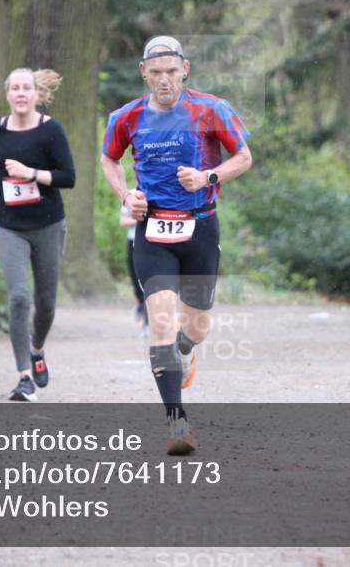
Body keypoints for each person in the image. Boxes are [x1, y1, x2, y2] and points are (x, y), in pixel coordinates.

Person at [100, 36, 253, 454]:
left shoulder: (212, 109)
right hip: (152, 231)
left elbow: (244, 157)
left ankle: (186, 349)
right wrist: (125, 196)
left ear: (185, 69)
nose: (164, 79)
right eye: (156, 72)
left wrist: (208, 177)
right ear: (143, 73)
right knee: (161, 320)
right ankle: (176, 424)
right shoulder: (126, 117)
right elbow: (109, 158)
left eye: (171, 71)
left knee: (197, 327)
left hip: (200, 228)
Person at [0, 68, 75, 401]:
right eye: (15, 88)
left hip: (48, 224)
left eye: (26, 88)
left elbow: (68, 177)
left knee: (45, 304)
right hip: (7, 225)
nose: (20, 93)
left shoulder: (51, 130)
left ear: (36, 93)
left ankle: (37, 349)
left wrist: (31, 173)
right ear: (8, 94)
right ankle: (24, 377)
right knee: (19, 297)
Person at [119, 203, 148, 332]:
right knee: (135, 276)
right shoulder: (132, 196)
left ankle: (149, 319)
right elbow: (122, 221)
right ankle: (140, 302)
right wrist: (141, 219)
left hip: (153, 241)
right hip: (133, 240)